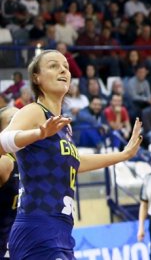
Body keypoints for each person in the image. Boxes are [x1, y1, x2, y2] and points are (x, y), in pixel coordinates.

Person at [4, 49, 142, 259]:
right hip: (38, 227)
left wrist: (123, 155)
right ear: (36, 77)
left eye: (66, 67)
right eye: (53, 65)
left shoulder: (62, 126)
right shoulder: (34, 111)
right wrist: (37, 133)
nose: (63, 70)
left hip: (61, 230)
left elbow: (76, 162)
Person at [0, 106, 20, 258]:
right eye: (11, 120)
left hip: (27, 246)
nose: (18, 123)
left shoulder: (32, 160)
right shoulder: (5, 163)